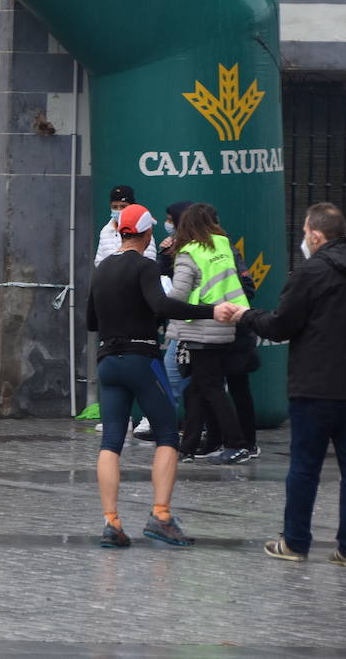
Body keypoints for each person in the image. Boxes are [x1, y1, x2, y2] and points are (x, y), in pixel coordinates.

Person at [236, 203, 346, 567]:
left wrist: (245, 315)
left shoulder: (311, 272)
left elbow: (280, 326)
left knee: (304, 467)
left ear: (315, 234)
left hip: (315, 388)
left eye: (304, 235)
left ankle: (295, 543)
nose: (303, 241)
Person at [85, 203, 231, 548]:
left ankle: (112, 523)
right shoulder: (146, 266)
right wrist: (210, 310)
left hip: (108, 362)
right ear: (148, 233)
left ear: (121, 232)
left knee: (112, 443)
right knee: (168, 433)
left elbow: (91, 323)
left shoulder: (102, 268)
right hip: (141, 360)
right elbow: (163, 306)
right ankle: (161, 516)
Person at [166, 203, 251, 465]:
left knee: (211, 388)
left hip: (200, 329)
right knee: (196, 389)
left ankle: (236, 444)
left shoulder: (189, 253)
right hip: (225, 324)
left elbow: (178, 295)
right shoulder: (223, 246)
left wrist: (158, 303)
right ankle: (188, 447)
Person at [95, 185, 155, 266]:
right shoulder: (105, 231)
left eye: (123, 206)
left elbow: (149, 261)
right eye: (115, 207)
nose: (119, 210)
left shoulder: (142, 229)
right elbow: (99, 262)